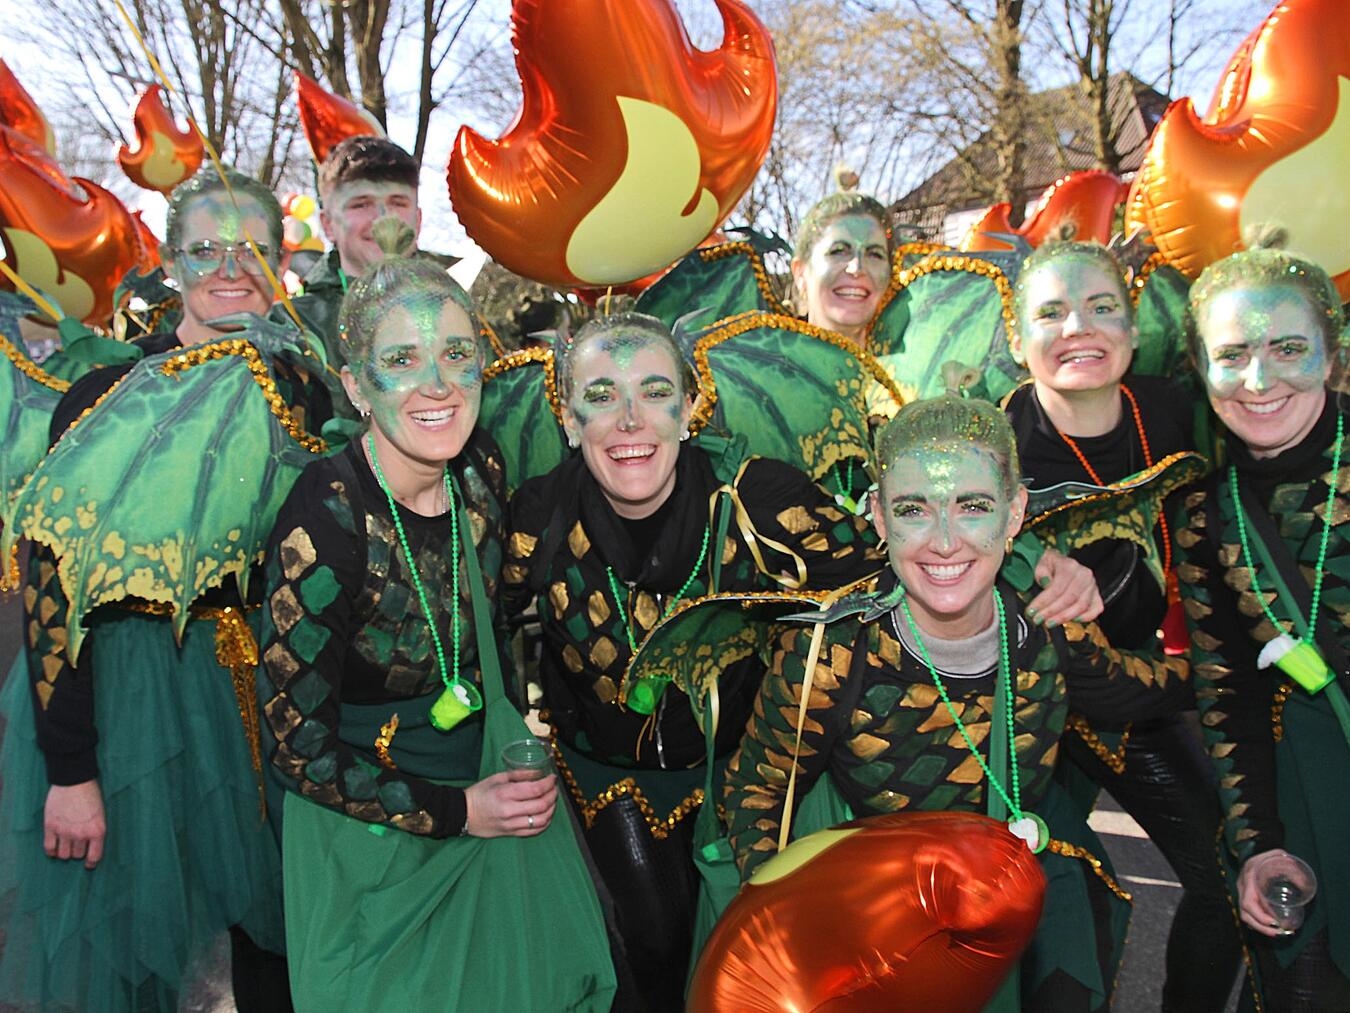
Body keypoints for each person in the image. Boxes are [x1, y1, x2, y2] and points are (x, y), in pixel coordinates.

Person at [499, 312, 1099, 1011]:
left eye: (654, 390)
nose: (630, 419)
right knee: (649, 954)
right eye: (600, 395)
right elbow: (485, 626)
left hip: (749, 772)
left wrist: (1031, 560)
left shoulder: (759, 498)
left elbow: (905, 551)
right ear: (567, 418)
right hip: (609, 781)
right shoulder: (536, 515)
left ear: (691, 406)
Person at [723, 395, 1192, 1013]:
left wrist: (1238, 655)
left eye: (972, 507)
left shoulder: (1049, 628)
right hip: (882, 922)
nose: (944, 542)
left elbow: (1138, 686)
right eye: (914, 510)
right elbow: (754, 792)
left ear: (1015, 513)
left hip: (1025, 893)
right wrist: (799, 924)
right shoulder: (829, 656)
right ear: (880, 519)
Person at [258, 220, 614, 1011]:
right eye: (401, 360)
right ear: (355, 384)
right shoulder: (324, 524)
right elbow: (294, 748)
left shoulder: (479, 467)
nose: (439, 384)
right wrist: (458, 812)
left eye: (458, 354)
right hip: (369, 845)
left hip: (488, 794)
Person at [0, 168, 324, 1011]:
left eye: (250, 247)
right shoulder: (107, 395)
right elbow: (47, 584)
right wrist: (71, 767)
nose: (228, 266)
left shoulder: (309, 392)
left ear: (282, 259)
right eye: (204, 249)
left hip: (271, 689)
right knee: (148, 961)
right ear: (171, 263)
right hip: (134, 702)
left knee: (277, 952)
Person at [1004, 239, 1241, 1011]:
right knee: (1054, 899)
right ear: (1016, 340)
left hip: (1145, 679)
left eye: (1103, 307)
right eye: (1051, 312)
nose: (1080, 326)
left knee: (1230, 871)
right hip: (1029, 698)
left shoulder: (1175, 409)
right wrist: (1031, 549)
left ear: (1135, 331)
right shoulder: (993, 442)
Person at [1176, 232, 1350, 1009]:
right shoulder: (1206, 517)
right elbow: (1228, 698)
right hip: (1315, 800)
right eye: (1232, 352)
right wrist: (1259, 846)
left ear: (1332, 356)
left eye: (1287, 347)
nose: (1257, 378)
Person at [287, 135, 423, 373]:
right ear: (328, 225)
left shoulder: (458, 310)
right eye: (361, 204)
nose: (383, 217)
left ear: (418, 220)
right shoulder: (295, 327)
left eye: (398, 203)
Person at [790, 184, 891, 348]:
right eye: (838, 251)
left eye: (874, 254)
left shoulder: (918, 370)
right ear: (800, 272)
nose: (857, 268)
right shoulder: (762, 369)